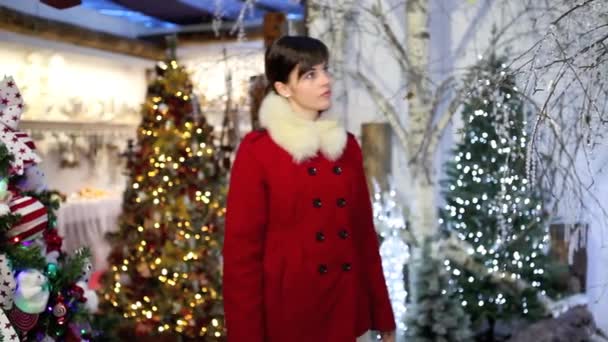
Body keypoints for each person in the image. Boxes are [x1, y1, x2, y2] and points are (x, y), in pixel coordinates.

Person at [223, 35, 397, 342]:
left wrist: (383, 315)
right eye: (310, 74)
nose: (325, 81)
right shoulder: (259, 151)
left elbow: (364, 239)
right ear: (283, 88)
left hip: (344, 310)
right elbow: (241, 260)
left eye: (325, 70)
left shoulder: (346, 147)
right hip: (289, 317)